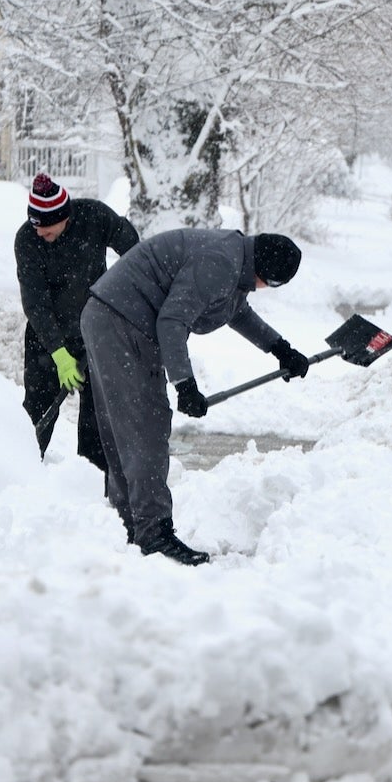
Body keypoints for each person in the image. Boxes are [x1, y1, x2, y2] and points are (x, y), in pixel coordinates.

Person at [81, 228, 308, 565]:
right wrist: (184, 383)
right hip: (123, 322)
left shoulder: (233, 258)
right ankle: (153, 533)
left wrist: (279, 348)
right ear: (266, 275)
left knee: (125, 429)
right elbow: (172, 321)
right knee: (145, 427)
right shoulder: (220, 263)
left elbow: (235, 311)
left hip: (107, 316)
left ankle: (126, 525)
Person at [15, 174, 139, 469]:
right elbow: (36, 302)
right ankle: (22, 469)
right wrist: (58, 353)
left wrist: (124, 291)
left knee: (97, 414)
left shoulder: (93, 216)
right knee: (37, 408)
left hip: (95, 329)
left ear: (64, 217)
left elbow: (134, 249)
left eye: (45, 227)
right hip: (46, 338)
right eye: (35, 225)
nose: (40, 233)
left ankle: (92, 479)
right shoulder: (28, 240)